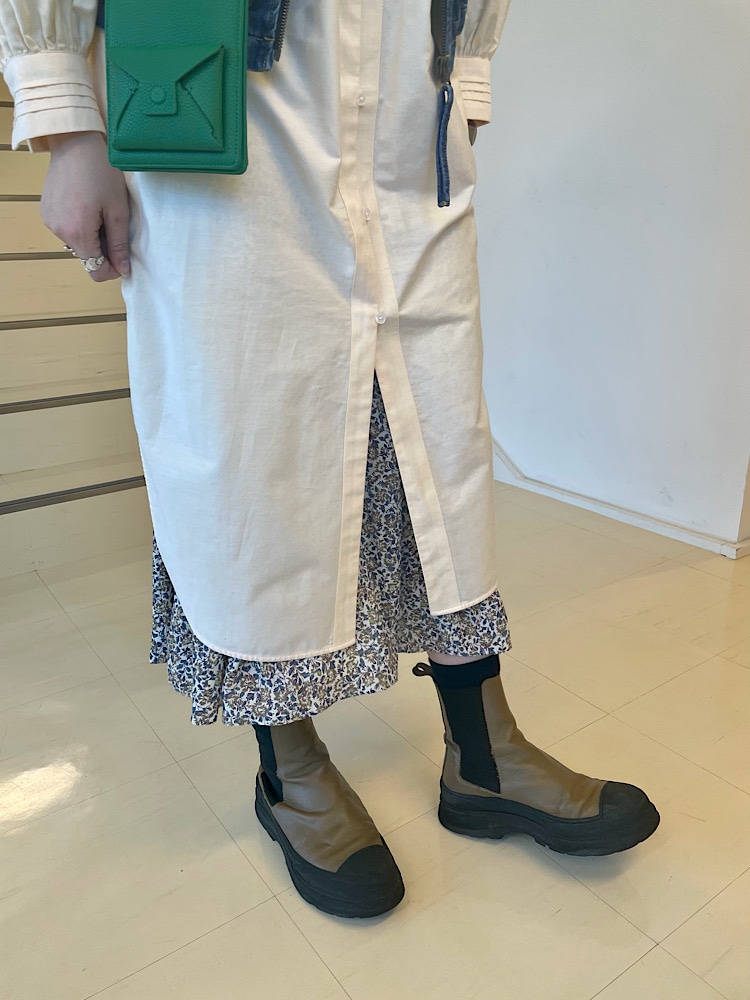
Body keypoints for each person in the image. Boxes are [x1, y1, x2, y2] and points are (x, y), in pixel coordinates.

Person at [1, 0, 659, 920]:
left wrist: (467, 72)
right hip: (226, 113)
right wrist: (70, 128)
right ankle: (291, 769)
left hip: (406, 109)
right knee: (252, 450)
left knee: (437, 441)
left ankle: (484, 755)